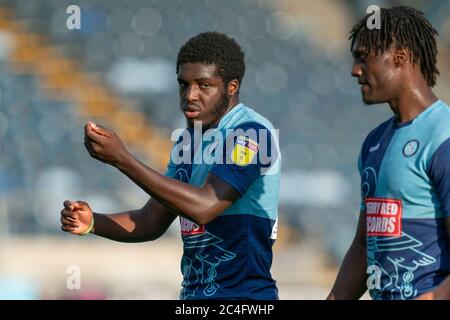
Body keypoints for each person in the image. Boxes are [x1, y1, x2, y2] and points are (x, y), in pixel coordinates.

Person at [60, 32, 281, 300]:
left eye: (204, 85)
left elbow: (206, 206)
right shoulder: (188, 142)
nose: (190, 95)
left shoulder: (251, 133)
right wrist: (94, 222)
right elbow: (151, 220)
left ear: (231, 87)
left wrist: (122, 159)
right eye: (183, 84)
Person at [328, 6, 450, 300]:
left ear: (401, 57)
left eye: (364, 57)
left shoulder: (443, 136)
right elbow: (362, 245)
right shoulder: (374, 142)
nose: (355, 70)